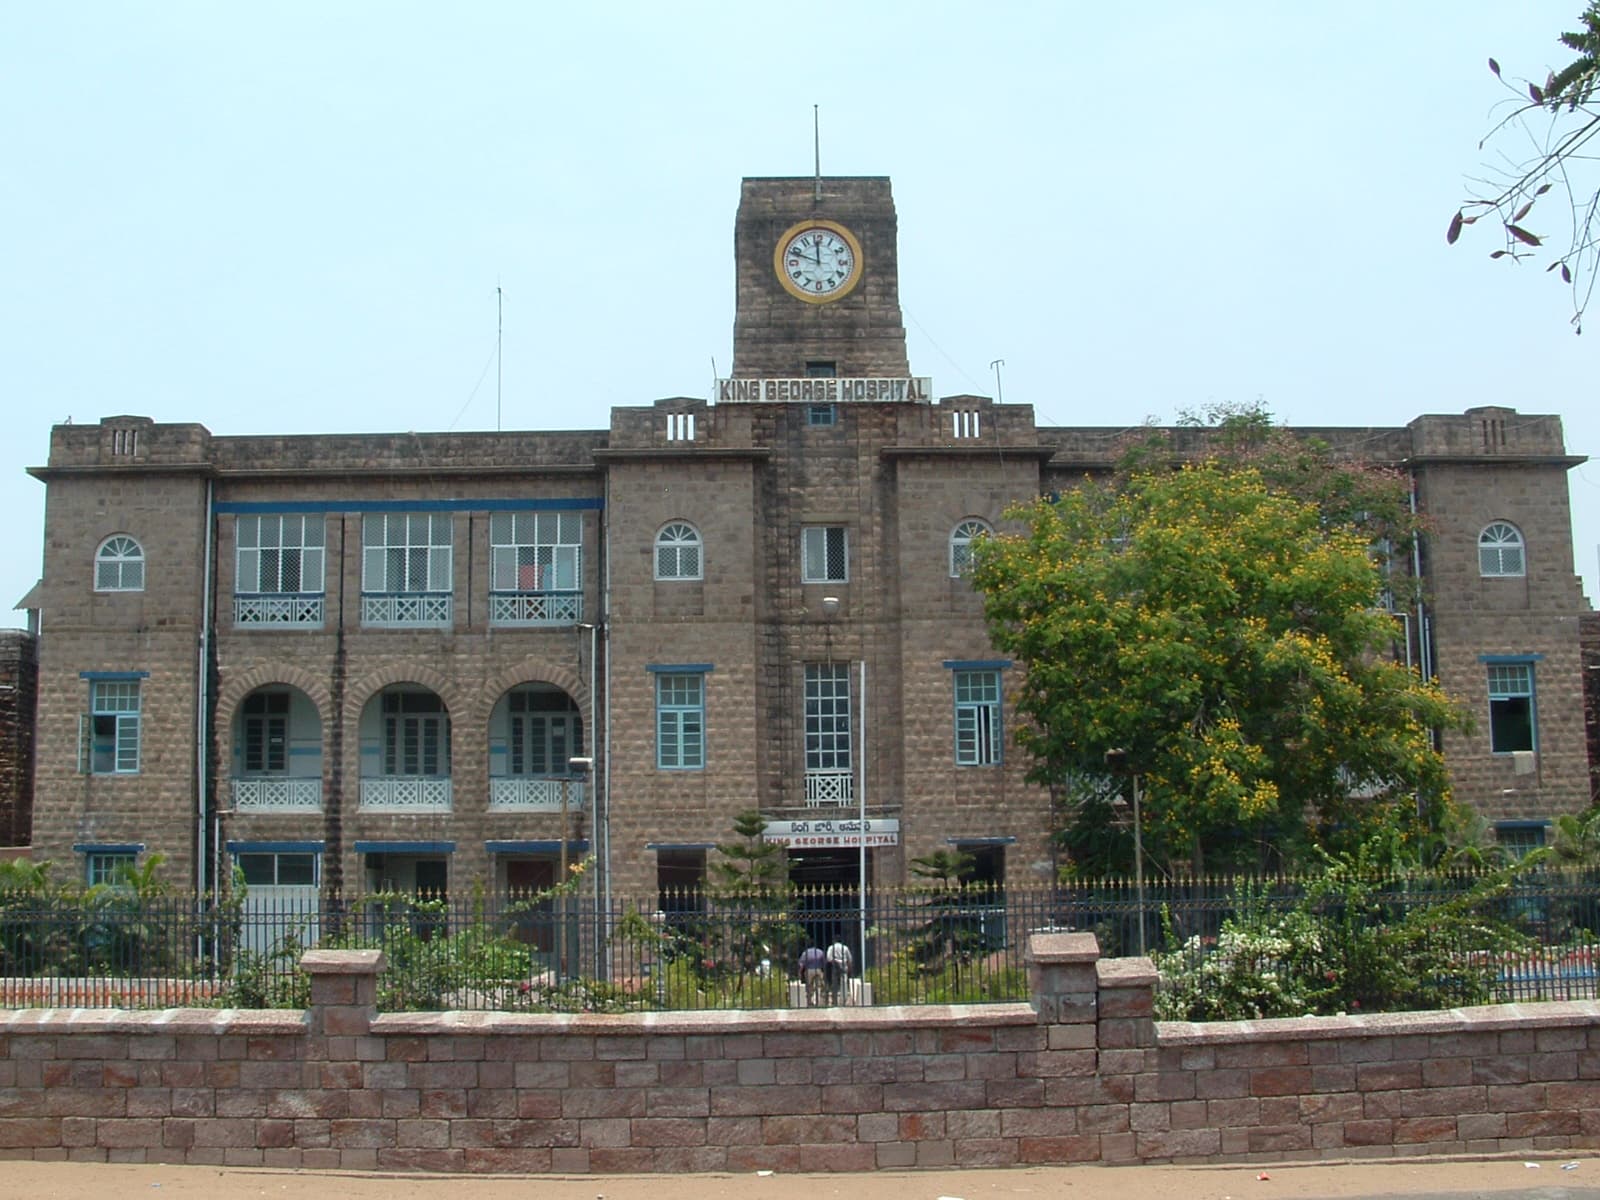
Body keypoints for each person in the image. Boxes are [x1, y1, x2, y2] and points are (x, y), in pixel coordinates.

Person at [825, 936, 853, 1005]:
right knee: (844, 984)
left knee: (834, 984)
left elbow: (829, 958)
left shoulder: (831, 947)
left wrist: (835, 961)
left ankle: (834, 1001)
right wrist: (850, 968)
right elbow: (850, 959)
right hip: (844, 966)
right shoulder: (845, 948)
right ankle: (843, 1001)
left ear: (834, 940)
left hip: (835, 966)